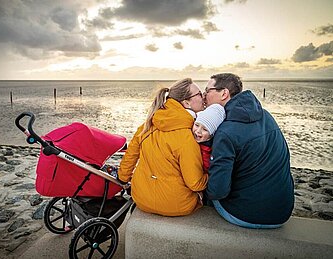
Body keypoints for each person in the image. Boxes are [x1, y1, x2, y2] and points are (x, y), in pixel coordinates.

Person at [203, 73, 294, 229]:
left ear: (224, 93)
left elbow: (218, 191)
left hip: (246, 215)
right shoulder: (266, 115)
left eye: (207, 91)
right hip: (283, 212)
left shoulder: (225, 131)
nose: (204, 96)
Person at [118, 78, 207, 216]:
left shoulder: (147, 125)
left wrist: (123, 179)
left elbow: (130, 158)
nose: (204, 97)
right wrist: (211, 176)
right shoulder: (187, 135)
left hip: (141, 198)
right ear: (186, 102)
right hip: (176, 205)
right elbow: (195, 183)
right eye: (200, 94)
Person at [191, 104, 226, 173]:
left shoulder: (211, 151)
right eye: (197, 125)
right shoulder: (189, 137)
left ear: (211, 134)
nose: (198, 131)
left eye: (205, 129)